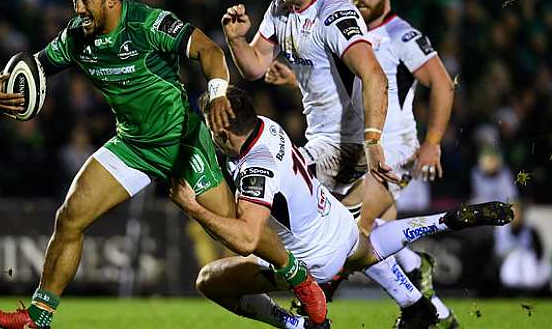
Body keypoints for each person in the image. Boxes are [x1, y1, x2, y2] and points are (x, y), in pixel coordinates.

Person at [0, 0, 327, 329]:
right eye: (74, 0)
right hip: (132, 145)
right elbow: (30, 68)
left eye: (84, 0)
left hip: (183, 142)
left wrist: (217, 92)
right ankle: (38, 317)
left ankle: (301, 278)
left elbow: (209, 51)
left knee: (242, 231)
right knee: (69, 218)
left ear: (111, 0)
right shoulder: (76, 37)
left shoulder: (147, 24)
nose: (77, 8)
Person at [169, 87, 513, 329]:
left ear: (224, 133)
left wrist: (193, 207)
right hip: (339, 226)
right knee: (368, 248)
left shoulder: (255, 169)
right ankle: (445, 223)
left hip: (312, 260)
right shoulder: (266, 125)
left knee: (210, 280)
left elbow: (245, 239)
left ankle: (294, 324)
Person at [222, 0, 432, 317]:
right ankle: (416, 300)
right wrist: (236, 40)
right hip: (320, 139)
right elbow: (253, 66)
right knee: (349, 242)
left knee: (275, 191)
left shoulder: (334, 13)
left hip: (346, 145)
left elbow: (374, 75)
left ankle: (309, 294)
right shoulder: (281, 7)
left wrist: (372, 143)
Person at [269, 0, 458, 325]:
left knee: (348, 232)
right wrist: (294, 80)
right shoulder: (348, 29)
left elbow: (442, 84)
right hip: (357, 152)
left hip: (393, 152)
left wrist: (433, 141)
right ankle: (433, 307)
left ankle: (316, 305)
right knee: (374, 243)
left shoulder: (400, 34)